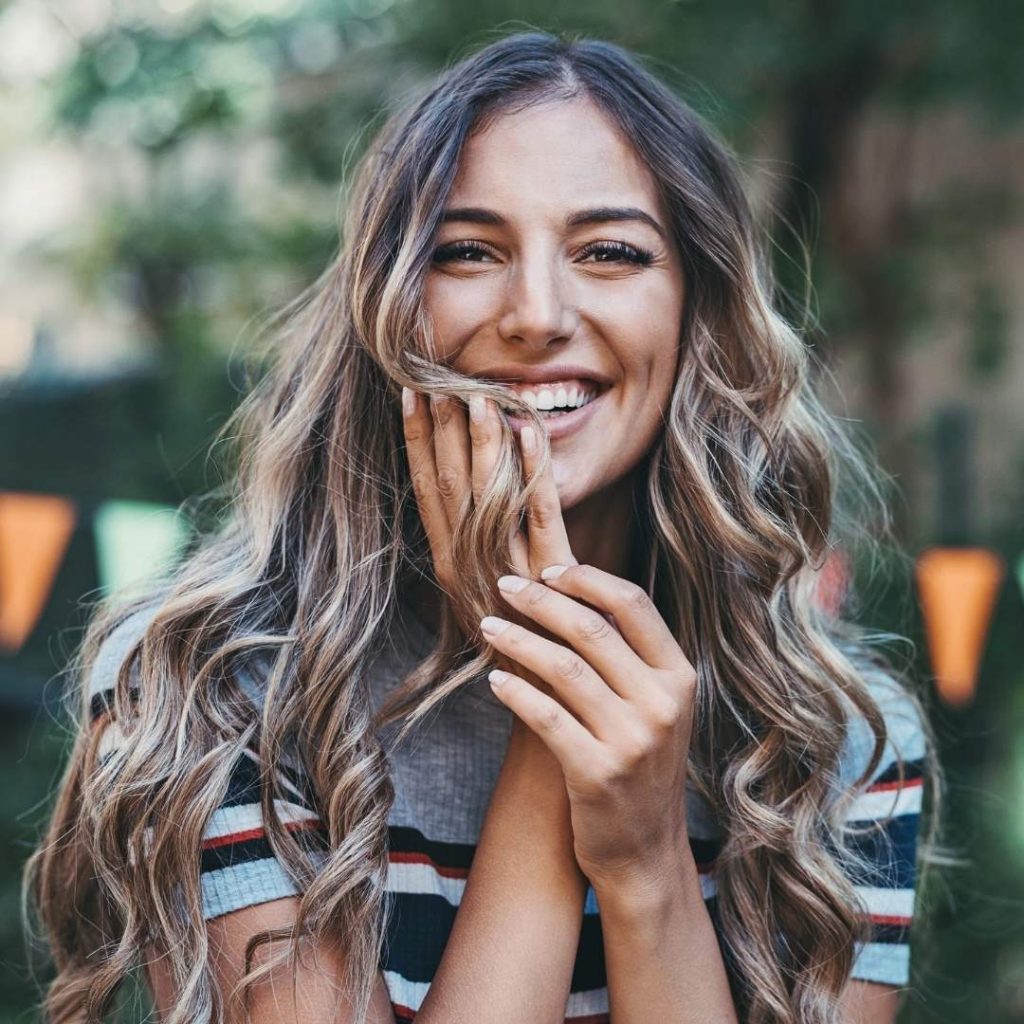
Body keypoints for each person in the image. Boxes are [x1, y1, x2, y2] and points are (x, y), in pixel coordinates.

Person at [25, 30, 936, 1024]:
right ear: (388, 309)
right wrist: (551, 702)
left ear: (696, 314)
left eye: (609, 251)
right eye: (467, 250)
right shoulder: (212, 692)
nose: (537, 313)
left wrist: (643, 866)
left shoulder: (836, 742)